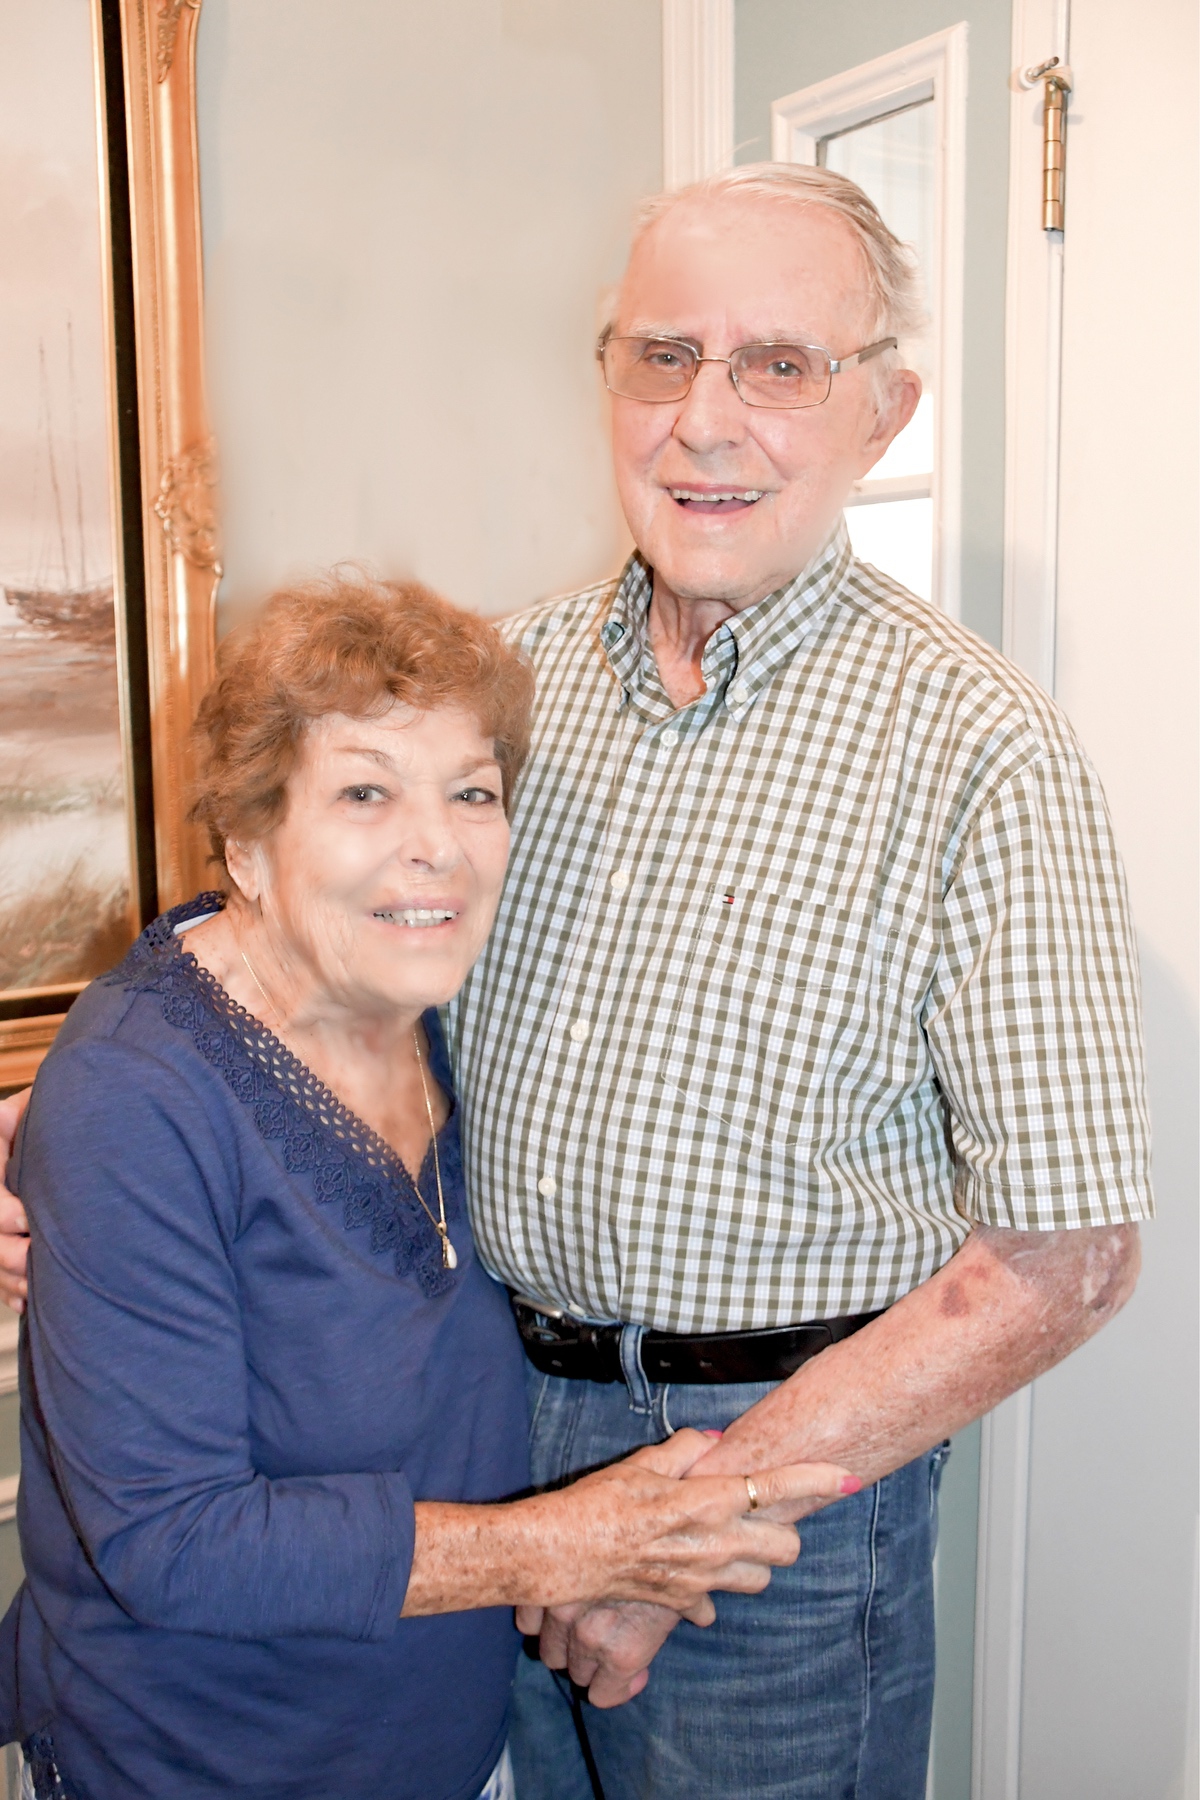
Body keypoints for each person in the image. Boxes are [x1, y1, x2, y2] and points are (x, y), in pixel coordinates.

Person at [0, 163, 1153, 1799]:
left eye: (779, 366)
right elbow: (320, 921)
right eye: (661, 357)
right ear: (607, 381)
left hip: (788, 1500)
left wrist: (683, 1520)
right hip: (488, 1433)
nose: (705, 420)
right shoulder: (510, 682)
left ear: (883, 411)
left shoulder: (977, 753)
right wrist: (75, 1122)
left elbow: (1069, 1254)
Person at [0, 573, 855, 1800]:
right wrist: (563, 1543)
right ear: (247, 842)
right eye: (364, 791)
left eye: (473, 791)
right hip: (196, 1762)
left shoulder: (448, 1024)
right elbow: (172, 1543)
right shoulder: (141, 1094)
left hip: (446, 1746)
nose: (437, 844)